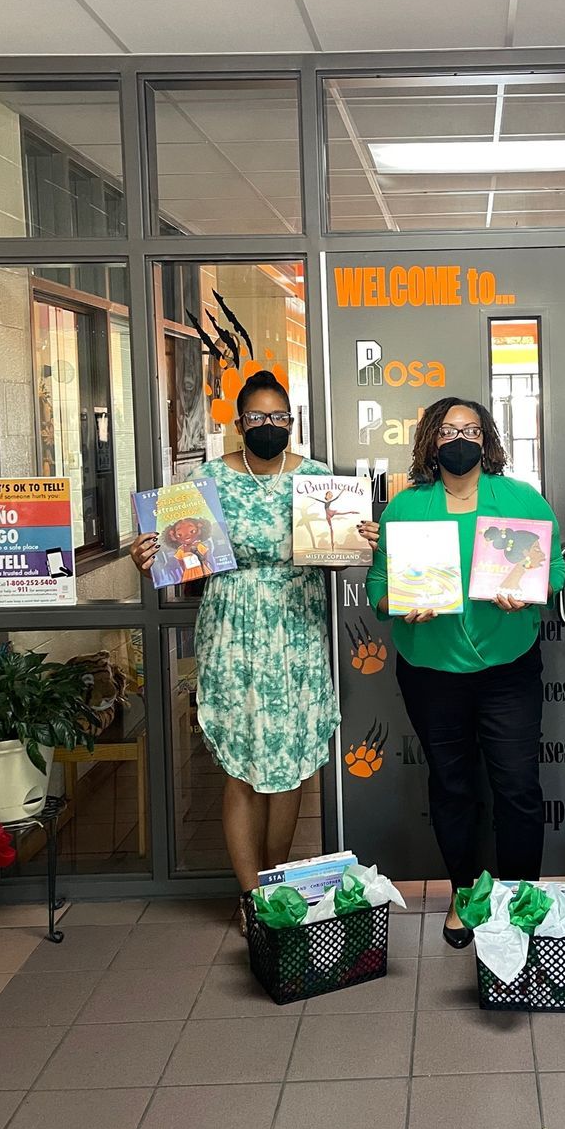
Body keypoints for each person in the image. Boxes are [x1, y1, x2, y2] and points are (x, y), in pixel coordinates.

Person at [132, 369, 378, 932]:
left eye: (279, 418)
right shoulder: (206, 482)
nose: (268, 426)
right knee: (242, 771)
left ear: (291, 423)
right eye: (257, 418)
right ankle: (250, 897)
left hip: (297, 632)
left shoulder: (319, 480)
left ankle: (277, 884)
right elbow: (178, 558)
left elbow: (336, 554)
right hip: (232, 633)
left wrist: (363, 541)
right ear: (239, 423)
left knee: (289, 770)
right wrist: (150, 557)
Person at [366, 397, 565, 947]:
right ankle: (465, 894)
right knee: (453, 787)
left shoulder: (519, 498)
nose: (461, 438)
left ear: (487, 440)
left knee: (519, 787)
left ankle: (523, 900)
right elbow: (378, 587)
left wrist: (530, 593)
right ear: (431, 439)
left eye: (472, 430)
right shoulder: (405, 509)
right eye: (450, 429)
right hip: (431, 671)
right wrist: (399, 605)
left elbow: (556, 566)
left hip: (508, 669)